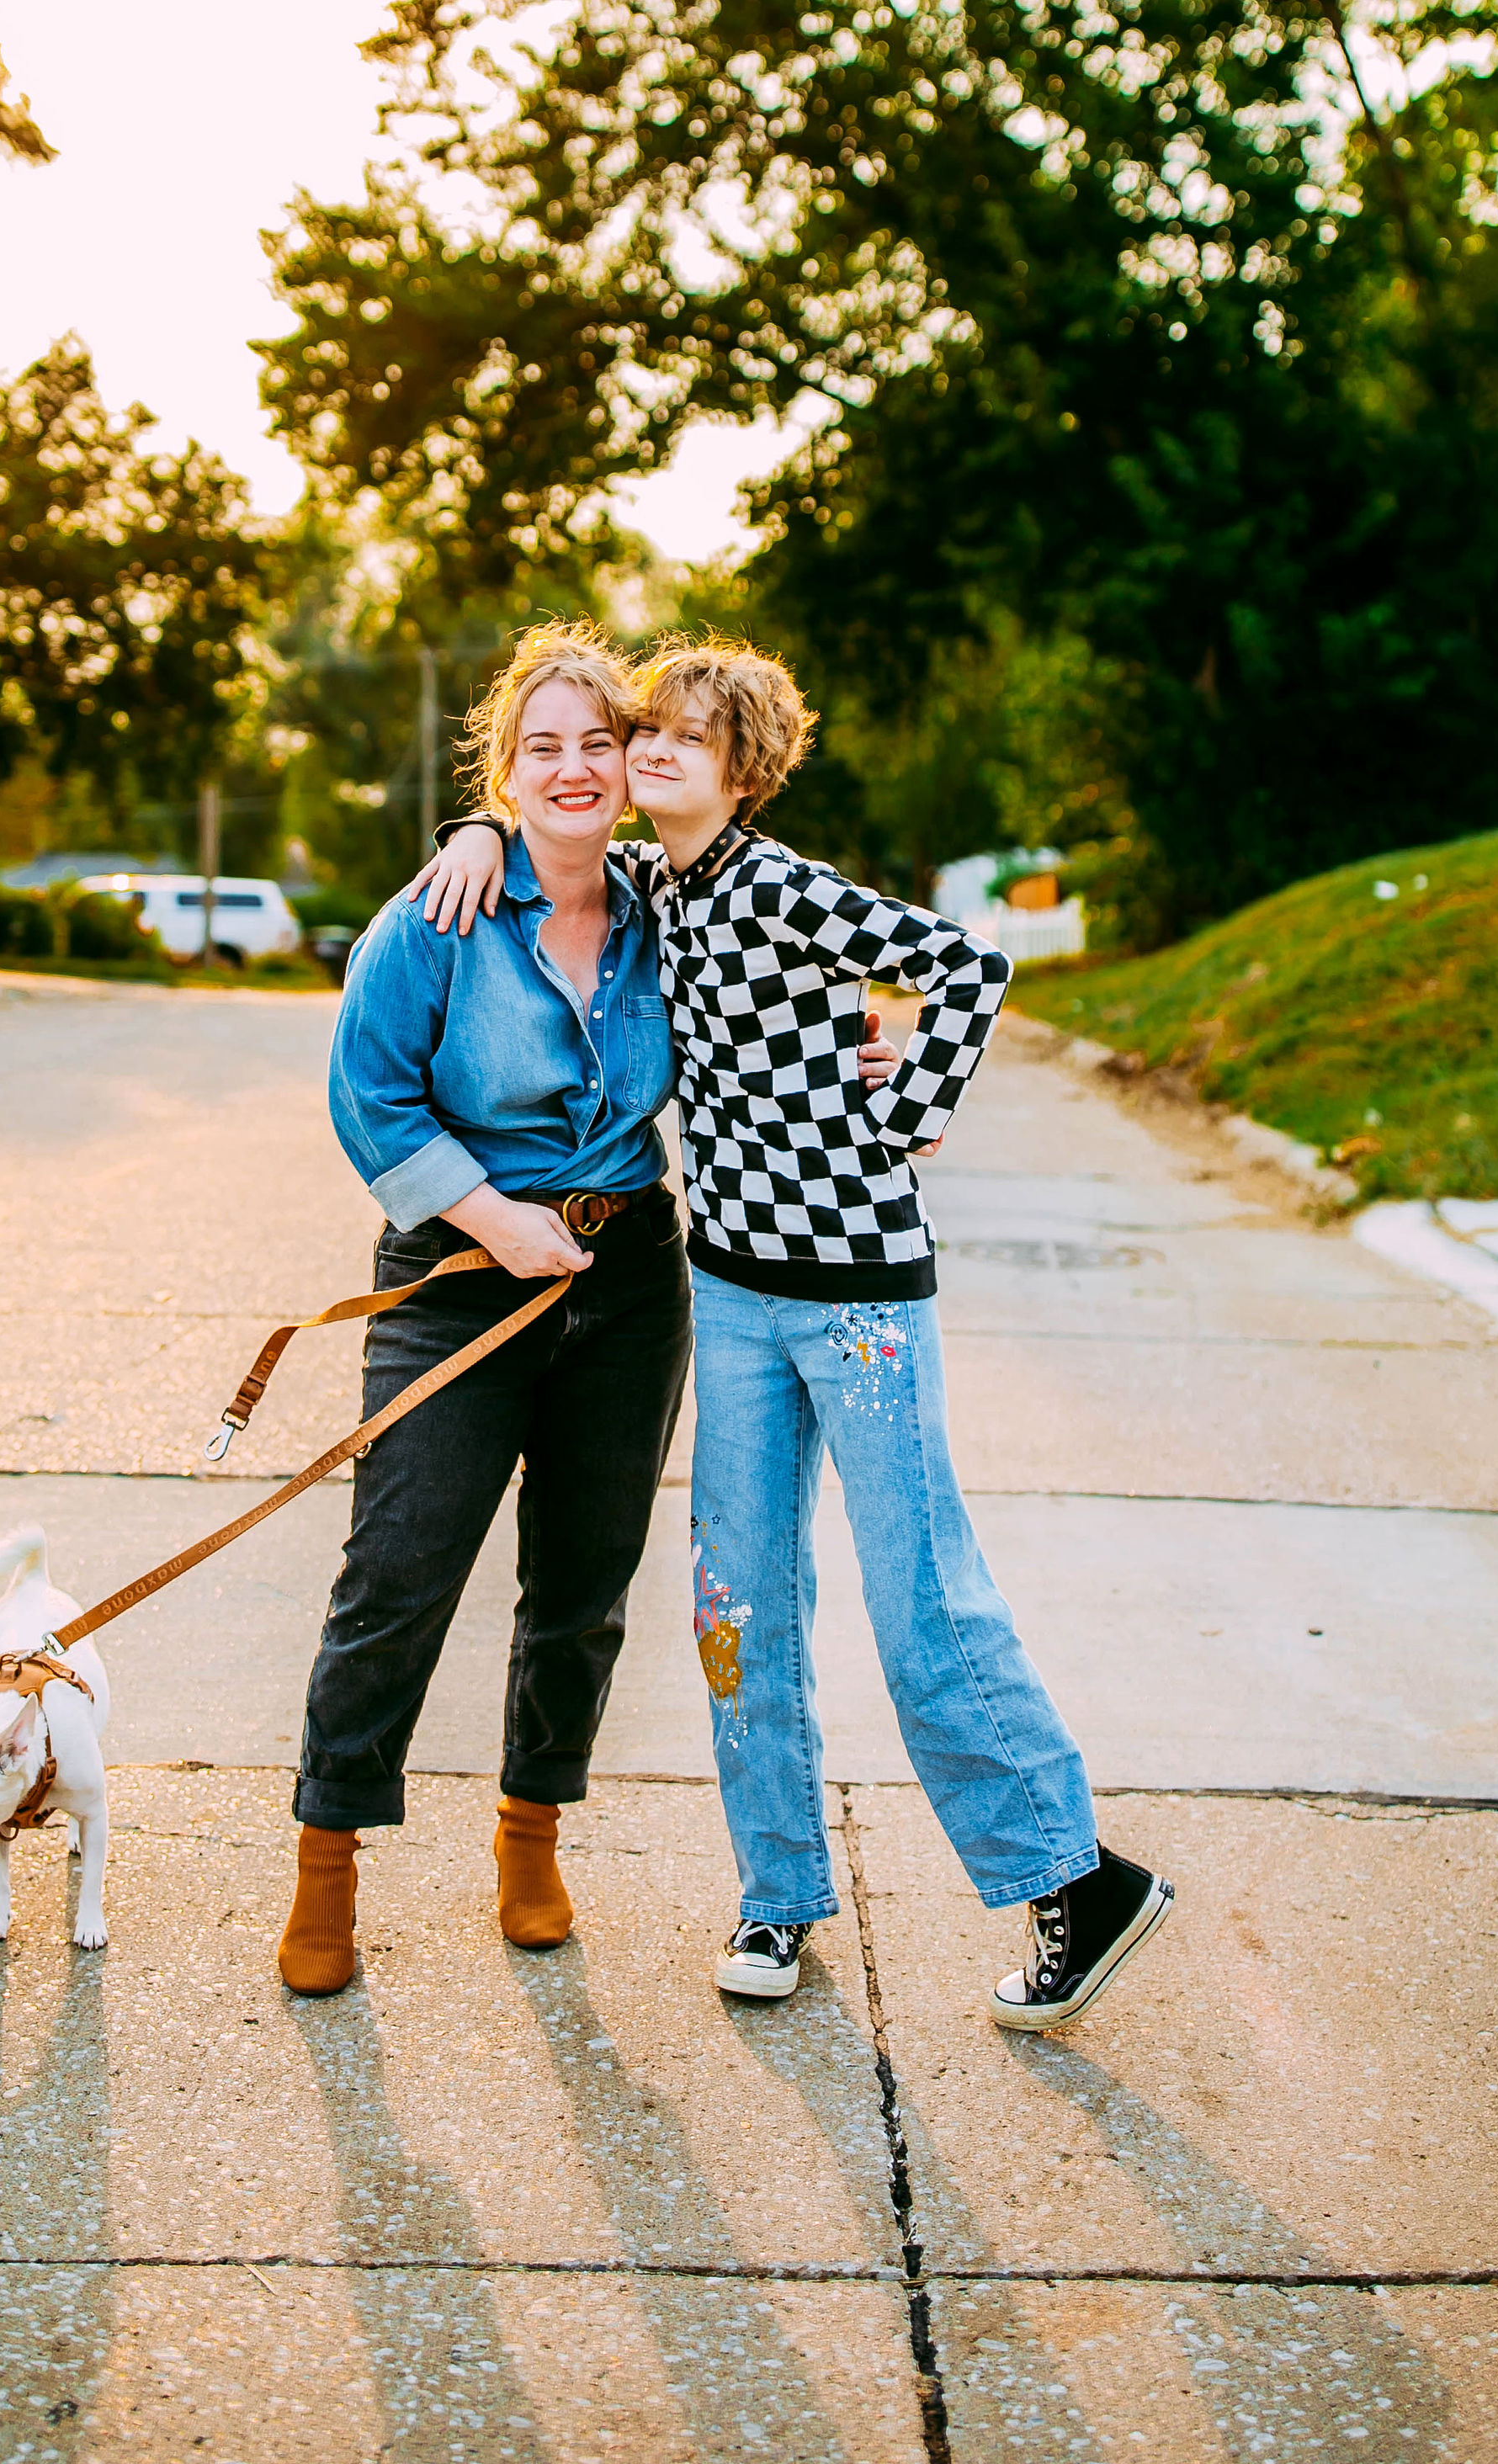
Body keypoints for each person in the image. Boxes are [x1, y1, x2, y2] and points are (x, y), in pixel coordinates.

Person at [419, 634, 1172, 2031]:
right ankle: (778, 1895)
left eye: (684, 742)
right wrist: (478, 823)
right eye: (646, 735)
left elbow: (968, 962)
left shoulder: (781, 886)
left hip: (863, 1304)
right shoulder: (652, 883)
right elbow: (554, 834)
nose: (649, 757)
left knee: (920, 1602)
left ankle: (1075, 1878)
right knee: (737, 1607)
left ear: (745, 770)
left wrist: (915, 1103)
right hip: (736, 1301)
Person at [278, 624, 691, 1997]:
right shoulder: (438, 915)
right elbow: (369, 1095)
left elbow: (772, 1006)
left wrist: (882, 1049)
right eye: (542, 748)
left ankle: (530, 1838)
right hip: (462, 1280)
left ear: (629, 768)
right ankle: (327, 1863)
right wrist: (491, 1215)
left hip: (626, 1286)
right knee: (397, 1574)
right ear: (506, 772)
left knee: (581, 1589)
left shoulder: (665, 918)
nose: (572, 771)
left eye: (596, 746)